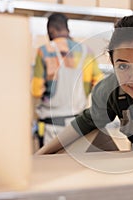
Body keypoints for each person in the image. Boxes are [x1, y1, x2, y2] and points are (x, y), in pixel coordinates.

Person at [35, 15, 133, 154]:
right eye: (123, 66)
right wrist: (40, 155)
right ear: (113, 64)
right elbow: (85, 123)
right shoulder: (112, 90)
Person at [31, 13, 104, 146]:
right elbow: (100, 84)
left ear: (51, 31)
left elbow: (36, 90)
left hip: (52, 128)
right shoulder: (86, 51)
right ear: (67, 29)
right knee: (72, 166)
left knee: (53, 165)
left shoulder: (44, 51)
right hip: (77, 127)